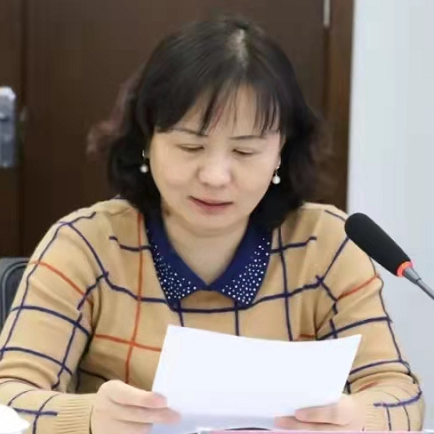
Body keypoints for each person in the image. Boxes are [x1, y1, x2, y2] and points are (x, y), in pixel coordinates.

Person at [0, 15, 424, 434]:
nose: (216, 176)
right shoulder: (86, 244)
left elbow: (400, 396)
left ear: (281, 151)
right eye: (190, 146)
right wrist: (91, 417)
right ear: (147, 141)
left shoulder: (327, 244)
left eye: (244, 152)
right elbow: (7, 400)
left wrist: (359, 418)